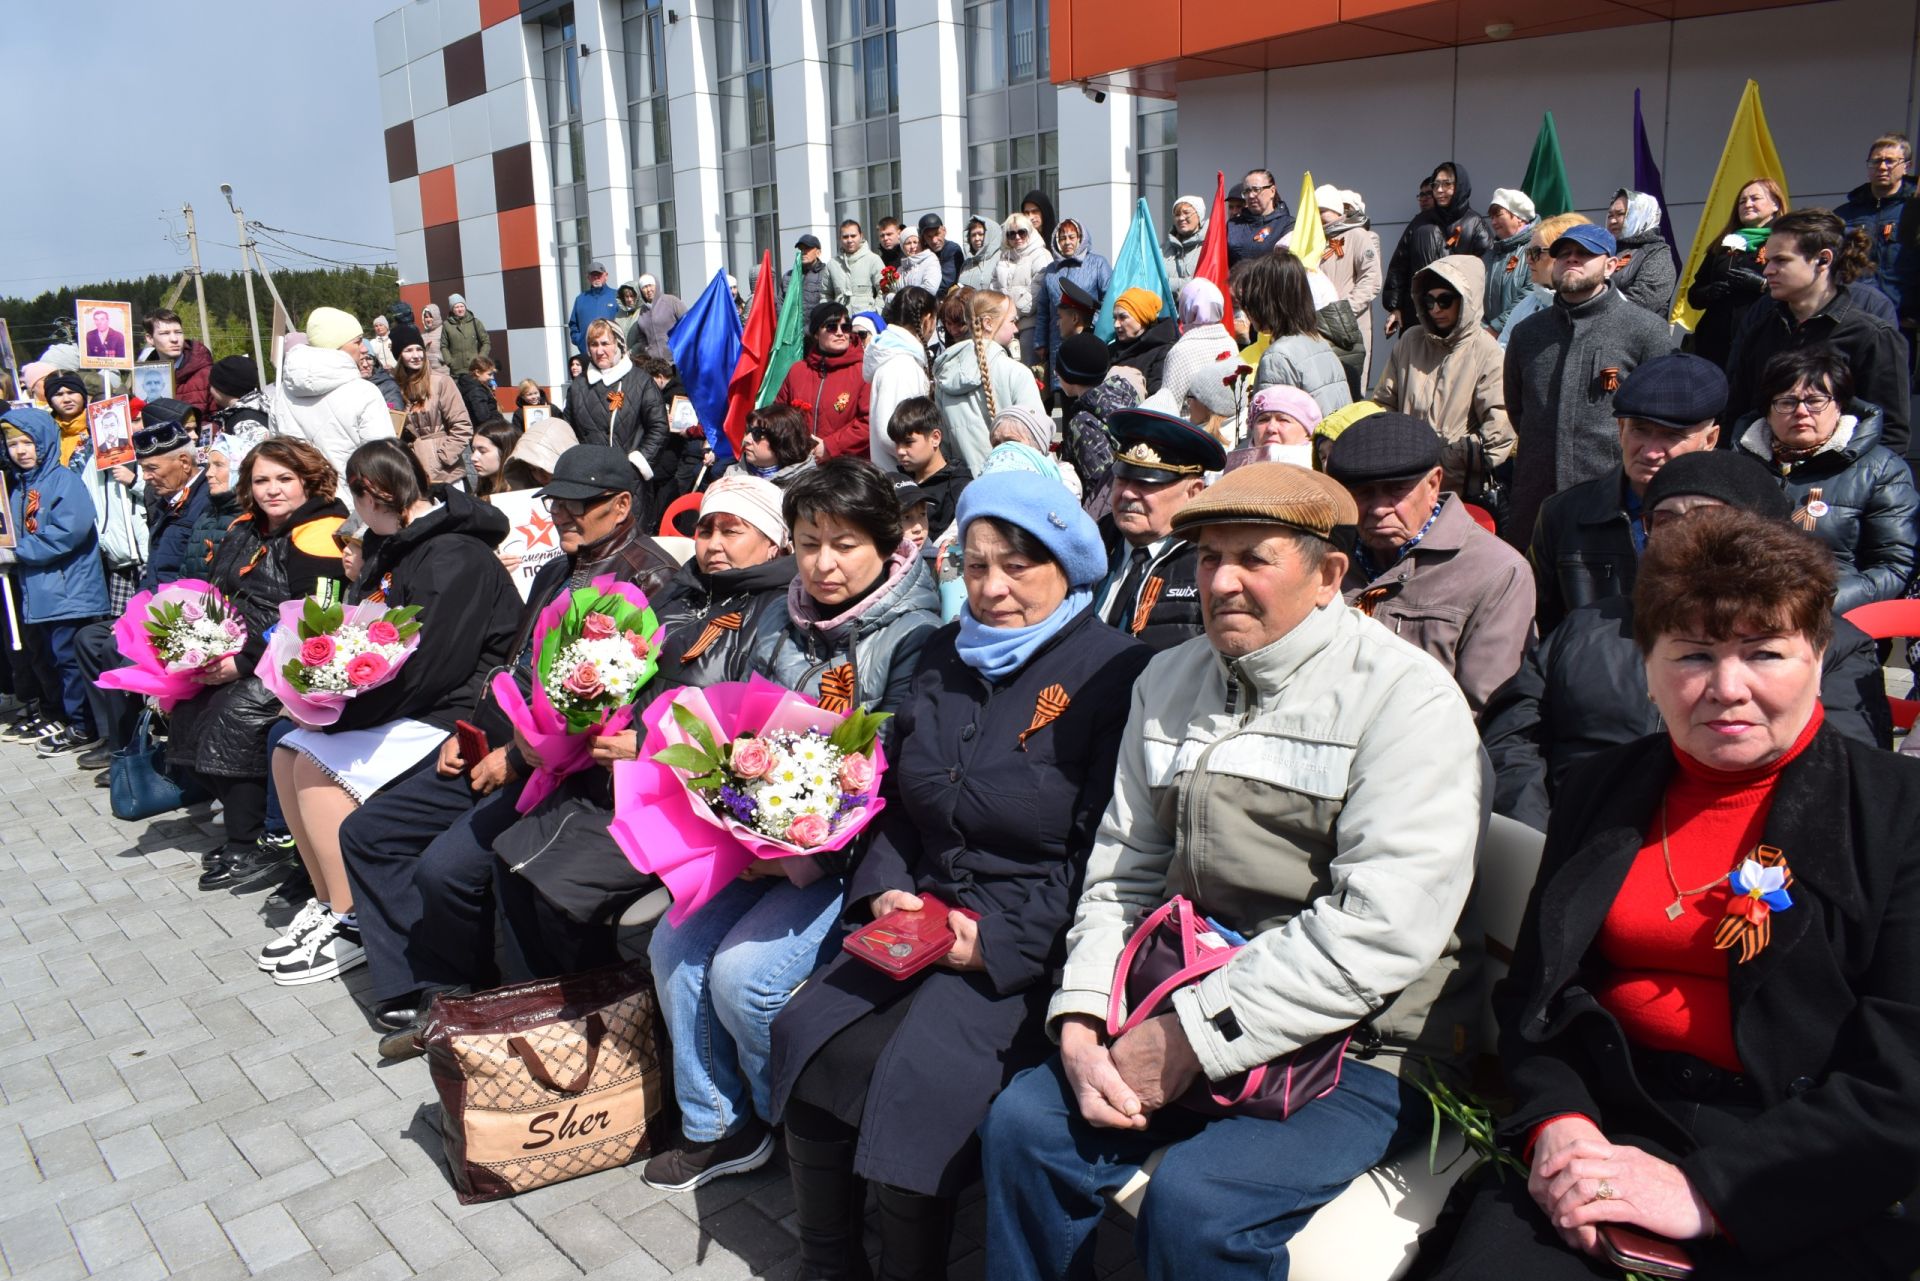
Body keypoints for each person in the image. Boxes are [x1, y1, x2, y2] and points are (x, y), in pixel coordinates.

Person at [979, 460, 1487, 1281]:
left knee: (1199, 1203)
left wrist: (1188, 1034)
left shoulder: (1408, 702)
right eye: (1210, 557)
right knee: (1025, 1128)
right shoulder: (1169, 679)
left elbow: (1377, 929)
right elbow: (1124, 867)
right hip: (1183, 991)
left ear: (1328, 576)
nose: (1221, 581)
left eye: (1254, 556)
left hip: (1366, 1039)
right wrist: (1081, 1016)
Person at [1424, 507, 1920, 1281]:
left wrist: (1707, 1192)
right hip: (1609, 1128)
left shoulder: (1898, 814)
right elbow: (1538, 996)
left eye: (1765, 652)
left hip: (1803, 1159)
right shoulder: (1600, 791)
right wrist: (1557, 1122)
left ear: (1819, 654)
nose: (1727, 687)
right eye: (1692, 655)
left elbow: (1905, 1075)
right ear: (1647, 664)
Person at [769, 468, 1149, 1275]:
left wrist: (999, 943)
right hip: (922, 909)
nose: (993, 587)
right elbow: (902, 800)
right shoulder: (944, 651)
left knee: (920, 1087)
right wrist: (884, 886)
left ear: (1069, 566)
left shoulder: (1114, 671)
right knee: (809, 1035)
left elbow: (1104, 854)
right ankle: (830, 1261)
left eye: (1018, 565)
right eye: (976, 565)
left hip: (1025, 938)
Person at [634, 460, 936, 1193]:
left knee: (747, 977)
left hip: (855, 854)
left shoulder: (916, 634)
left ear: (886, 543)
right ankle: (720, 1121)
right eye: (808, 542)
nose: (824, 564)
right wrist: (727, 800)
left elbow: (895, 772)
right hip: (764, 839)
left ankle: (799, 1120)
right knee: (673, 942)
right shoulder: (782, 614)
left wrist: (804, 841)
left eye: (844, 544)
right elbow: (735, 714)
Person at [338, 446, 677, 1055]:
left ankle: (471, 997)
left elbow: (606, 704)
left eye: (581, 504)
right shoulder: (558, 567)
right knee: (371, 830)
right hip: (503, 739)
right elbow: (512, 665)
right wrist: (467, 733)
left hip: (562, 765)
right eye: (557, 503)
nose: (564, 516)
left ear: (622, 505)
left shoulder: (647, 579)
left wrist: (516, 758)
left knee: (451, 868)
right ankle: (423, 986)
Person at [1483, 450, 1891, 833]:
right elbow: (1512, 739)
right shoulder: (1588, 626)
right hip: (1574, 835)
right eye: (1664, 520)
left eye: (1706, 517)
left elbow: (1844, 781)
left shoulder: (1830, 645)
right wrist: (1543, 835)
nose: (1681, 534)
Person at [263, 441, 519, 986]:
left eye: (359, 502)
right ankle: (331, 899)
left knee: (315, 765)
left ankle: (351, 918)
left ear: (378, 493)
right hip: (410, 699)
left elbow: (435, 666)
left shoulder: (451, 555)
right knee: (288, 749)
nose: (356, 519)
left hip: (454, 710)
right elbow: (376, 631)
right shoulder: (400, 543)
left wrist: (342, 716)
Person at [167, 438, 347, 889]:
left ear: (308, 480)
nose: (273, 490)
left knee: (236, 715)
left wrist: (244, 663)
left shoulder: (320, 532)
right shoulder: (247, 526)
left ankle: (254, 842)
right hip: (234, 649)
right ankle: (243, 828)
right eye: (261, 480)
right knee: (187, 712)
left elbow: (316, 616)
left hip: (287, 661)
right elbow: (219, 590)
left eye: (285, 479)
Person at [1326, 413, 1533, 714]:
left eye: (1397, 490)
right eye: (1363, 493)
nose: (1380, 509)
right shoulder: (1326, 557)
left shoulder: (1497, 572)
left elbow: (1487, 710)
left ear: (1434, 484)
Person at [1529, 352, 1728, 635]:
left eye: (1672, 436)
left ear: (1710, 440)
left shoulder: (1738, 518)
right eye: (1640, 431)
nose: (1650, 451)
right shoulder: (1564, 514)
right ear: (1621, 429)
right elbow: (1535, 627)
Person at [1505, 222, 1675, 549]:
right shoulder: (1527, 334)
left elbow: (1662, 416)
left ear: (1611, 265)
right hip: (1536, 501)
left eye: (1585, 254)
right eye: (1563, 254)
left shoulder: (1644, 330)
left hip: (1611, 501)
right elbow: (1518, 410)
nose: (1572, 260)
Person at [71, 416, 212, 768]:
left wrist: (147, 616)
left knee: (116, 648)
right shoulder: (164, 497)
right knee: (89, 638)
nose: (145, 477)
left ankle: (130, 752)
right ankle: (115, 736)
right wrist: (135, 611)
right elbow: (157, 564)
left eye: (152, 468)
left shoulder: (204, 500)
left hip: (187, 608)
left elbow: (192, 571)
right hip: (154, 600)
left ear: (183, 462)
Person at [1731, 345, 1917, 611]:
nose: (1801, 412)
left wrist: (1815, 606)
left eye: (1816, 401)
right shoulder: (1734, 465)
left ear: (1840, 405)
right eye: (1786, 402)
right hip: (1741, 617)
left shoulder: (1881, 469)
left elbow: (1895, 566)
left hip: (1838, 621)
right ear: (1767, 411)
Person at [1724, 208, 1911, 459]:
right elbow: (1738, 416)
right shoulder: (1760, 330)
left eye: (1781, 260)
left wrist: (1855, 488)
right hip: (1762, 482)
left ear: (1823, 259)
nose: (1767, 271)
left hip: (1840, 490)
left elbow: (1890, 433)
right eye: (1768, 261)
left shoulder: (1872, 337)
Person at [1, 406, 108, 757]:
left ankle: (85, 726)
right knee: (50, 660)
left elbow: (67, 531)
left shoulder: (63, 481)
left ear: (44, 441)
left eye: (27, 442)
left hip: (69, 590)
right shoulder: (19, 487)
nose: (20, 451)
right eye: (13, 443)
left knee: (71, 662)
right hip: (41, 591)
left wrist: (17, 552)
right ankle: (71, 719)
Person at [1369, 254, 1513, 506]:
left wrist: (1451, 460)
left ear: (1466, 300)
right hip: (1404, 483)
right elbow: (1383, 404)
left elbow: (1499, 427)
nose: (1436, 309)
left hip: (1459, 494)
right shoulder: (1410, 341)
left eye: (1445, 300)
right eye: (1429, 300)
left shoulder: (1486, 350)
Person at [1095, 408, 1222, 650]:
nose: (1128, 493)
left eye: (1146, 483)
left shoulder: (1209, 564)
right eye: (1122, 479)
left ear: (1193, 493)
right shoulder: (1092, 543)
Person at [563, 317, 673, 523]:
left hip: (630, 482)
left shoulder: (640, 381)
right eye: (594, 344)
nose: (599, 350)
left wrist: (637, 463)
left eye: (605, 343)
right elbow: (567, 430)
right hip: (589, 482)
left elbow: (658, 427)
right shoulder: (578, 386)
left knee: (631, 545)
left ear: (618, 345)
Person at [267, 307, 395, 480]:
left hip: (300, 501)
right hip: (354, 502)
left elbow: (277, 455)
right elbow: (382, 461)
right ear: (337, 345)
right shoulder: (364, 392)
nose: (364, 348)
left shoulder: (281, 393)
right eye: (357, 341)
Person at [933, 290, 1045, 473]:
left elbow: (943, 446)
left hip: (965, 488)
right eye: (1012, 321)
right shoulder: (1016, 373)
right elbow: (1037, 438)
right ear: (988, 323)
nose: (1016, 328)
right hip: (1011, 481)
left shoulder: (944, 377)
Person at [1235, 251, 1353, 420]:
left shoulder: (1278, 356)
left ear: (1266, 301)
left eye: (1250, 298)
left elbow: (1272, 431)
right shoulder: (1320, 343)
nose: (1246, 309)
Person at [1384, 161, 1492, 335]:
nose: (1440, 190)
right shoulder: (1419, 223)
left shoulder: (1475, 224)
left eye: (1447, 184)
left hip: (1459, 319)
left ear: (1460, 186)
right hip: (1418, 316)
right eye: (1436, 185)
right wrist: (1395, 307)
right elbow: (1398, 267)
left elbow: (1487, 271)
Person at [1686, 178, 1783, 369]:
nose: (1748, 204)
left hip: (1762, 341)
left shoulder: (1786, 241)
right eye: (1742, 201)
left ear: (1775, 204)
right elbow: (1694, 296)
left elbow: (1798, 289)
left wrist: (1762, 285)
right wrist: (1709, 292)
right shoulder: (1723, 243)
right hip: (1715, 346)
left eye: (1755, 198)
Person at [776, 302, 871, 461]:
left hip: (847, 468)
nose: (840, 333)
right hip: (801, 464)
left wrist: (831, 446)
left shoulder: (863, 371)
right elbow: (779, 414)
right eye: (832, 327)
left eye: (845, 327)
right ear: (816, 334)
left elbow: (868, 423)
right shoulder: (797, 371)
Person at [1055, 334, 1134, 520]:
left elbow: (1099, 485)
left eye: (1058, 370)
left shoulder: (1082, 423)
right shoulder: (1121, 395)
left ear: (1070, 375)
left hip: (1103, 518)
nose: (1055, 374)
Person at [1835, 132, 1915, 313]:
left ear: (1906, 166)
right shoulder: (1845, 214)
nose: (1882, 167)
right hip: (1856, 314)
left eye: (1890, 161)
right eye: (1876, 161)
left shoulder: (1914, 212)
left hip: (1904, 317)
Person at [389, 323, 474, 486]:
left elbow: (462, 426)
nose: (416, 355)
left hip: (447, 475)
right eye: (408, 350)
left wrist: (442, 457)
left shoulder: (441, 381)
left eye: (419, 349)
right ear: (399, 356)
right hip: (413, 475)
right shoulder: (395, 388)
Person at [1317, 187, 1384, 387]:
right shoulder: (1316, 240)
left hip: (1349, 323)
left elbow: (1371, 279)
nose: (1319, 216)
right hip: (1319, 325)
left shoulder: (1358, 236)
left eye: (1323, 210)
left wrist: (1344, 311)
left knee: (1351, 384)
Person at [867, 287, 938, 473]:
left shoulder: (902, 359)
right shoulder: (900, 365)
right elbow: (888, 433)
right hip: (900, 479)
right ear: (927, 320)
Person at [1034, 219, 1113, 384]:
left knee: (1086, 385)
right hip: (1058, 340)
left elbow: (1109, 299)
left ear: (1080, 238)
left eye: (1072, 237)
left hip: (1089, 338)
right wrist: (1040, 341)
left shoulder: (1098, 263)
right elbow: (1043, 309)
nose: (1067, 242)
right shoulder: (1051, 269)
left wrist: (1091, 325)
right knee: (1064, 388)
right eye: (1062, 238)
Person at [886, 396, 970, 534]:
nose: (900, 451)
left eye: (908, 442)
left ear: (935, 438)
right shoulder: (898, 482)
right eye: (896, 443)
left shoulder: (958, 488)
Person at [1158, 279, 1240, 414]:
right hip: (1228, 429)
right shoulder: (1230, 342)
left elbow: (1169, 407)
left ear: (1185, 307)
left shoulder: (1181, 351)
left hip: (1190, 431)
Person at [1606, 189, 1679, 318]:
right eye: (1610, 215)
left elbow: (1644, 300)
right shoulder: (1605, 250)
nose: (1612, 221)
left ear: (1641, 214)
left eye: (1620, 214)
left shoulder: (1657, 253)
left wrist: (1596, 312)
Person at [993, 212, 1054, 363]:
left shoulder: (1041, 255)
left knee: (1027, 370)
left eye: (1021, 232)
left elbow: (1037, 290)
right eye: (1011, 234)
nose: (1017, 237)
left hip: (1030, 324)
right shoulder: (1003, 258)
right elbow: (994, 288)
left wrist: (1013, 314)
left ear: (1029, 231)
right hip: (1004, 323)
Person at [1482, 187, 1538, 337]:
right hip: (1489, 337)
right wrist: (1484, 328)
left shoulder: (1536, 249)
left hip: (1522, 335)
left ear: (1519, 217)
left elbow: (1531, 292)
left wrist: (1495, 328)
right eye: (1491, 217)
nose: (1493, 222)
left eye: (1498, 215)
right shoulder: (1491, 253)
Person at [141, 308, 214, 417]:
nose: (174, 339)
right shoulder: (142, 376)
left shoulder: (207, 374)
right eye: (165, 333)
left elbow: (218, 419)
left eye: (178, 332)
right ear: (150, 338)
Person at [1108, 289, 1177, 393]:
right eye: (1115, 318)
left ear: (1142, 318)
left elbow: (1157, 395)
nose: (1116, 324)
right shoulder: (1111, 350)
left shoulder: (1164, 352)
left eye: (1123, 317)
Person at [733, 404, 818, 487]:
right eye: (748, 431)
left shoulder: (807, 487)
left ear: (782, 440)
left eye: (757, 433)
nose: (746, 440)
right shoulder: (733, 474)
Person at [1226, 167, 1295, 265]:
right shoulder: (1232, 225)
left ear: (1272, 191)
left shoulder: (1287, 225)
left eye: (1256, 189)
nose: (1250, 195)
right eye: (1247, 191)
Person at [828, 219, 886, 313]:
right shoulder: (832, 264)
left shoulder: (873, 260)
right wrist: (829, 315)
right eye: (845, 237)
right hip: (840, 323)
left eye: (853, 236)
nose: (849, 240)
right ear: (840, 239)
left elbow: (884, 290)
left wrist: (875, 313)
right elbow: (825, 295)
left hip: (866, 322)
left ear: (861, 236)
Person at [567, 261, 622, 355]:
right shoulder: (580, 299)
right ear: (588, 278)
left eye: (599, 274)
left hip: (611, 353)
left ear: (606, 275)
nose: (596, 277)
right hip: (587, 353)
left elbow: (624, 322)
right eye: (593, 275)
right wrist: (580, 341)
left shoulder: (617, 296)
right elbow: (573, 325)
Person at [208, 355, 269, 438]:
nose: (210, 389)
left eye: (211, 385)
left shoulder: (245, 423)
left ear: (221, 388)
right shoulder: (259, 408)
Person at [1163, 194, 1207, 296]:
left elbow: (1205, 282)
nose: (1181, 218)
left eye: (1186, 213)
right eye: (1177, 214)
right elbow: (1154, 280)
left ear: (1199, 215)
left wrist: (1167, 283)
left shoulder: (1209, 247)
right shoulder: (1163, 250)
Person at [629, 286, 687, 362]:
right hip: (655, 362)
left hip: (676, 359)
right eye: (644, 287)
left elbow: (687, 324)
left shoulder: (672, 301)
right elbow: (641, 335)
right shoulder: (642, 310)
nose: (649, 290)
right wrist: (647, 349)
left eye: (650, 285)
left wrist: (679, 347)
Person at [470, 420, 521, 498]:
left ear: (505, 452)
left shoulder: (520, 496)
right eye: (473, 450)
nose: (473, 457)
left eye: (482, 451)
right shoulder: (482, 491)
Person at [440, 294, 491, 373]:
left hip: (474, 369)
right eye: (456, 307)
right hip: (456, 371)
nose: (460, 309)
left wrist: (480, 358)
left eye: (462, 306)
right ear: (452, 309)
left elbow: (486, 342)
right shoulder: (447, 325)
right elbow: (443, 346)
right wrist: (450, 361)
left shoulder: (475, 322)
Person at [956, 213, 1004, 292]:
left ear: (990, 235)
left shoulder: (1001, 258)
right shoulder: (967, 262)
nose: (977, 238)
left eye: (981, 234)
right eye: (973, 235)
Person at [453, 356, 501, 433]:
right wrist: (498, 420)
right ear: (477, 372)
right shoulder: (476, 390)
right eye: (489, 374)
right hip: (484, 431)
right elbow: (483, 417)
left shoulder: (472, 386)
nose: (492, 377)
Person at [920, 214, 965, 295]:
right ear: (923, 238)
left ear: (944, 231)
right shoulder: (922, 251)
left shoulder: (952, 249)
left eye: (937, 234)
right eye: (929, 237)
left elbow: (945, 282)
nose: (934, 240)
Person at [786, 234, 830, 316]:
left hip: (816, 326)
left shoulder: (827, 274)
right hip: (793, 328)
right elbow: (780, 304)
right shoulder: (788, 276)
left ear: (818, 253)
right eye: (801, 249)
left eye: (807, 248)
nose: (803, 252)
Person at [897, 229, 942, 296]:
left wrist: (902, 298)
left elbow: (930, 289)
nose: (912, 246)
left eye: (915, 242)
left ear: (921, 244)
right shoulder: (900, 269)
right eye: (908, 243)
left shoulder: (930, 261)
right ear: (902, 247)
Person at [418, 303, 447, 370]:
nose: (428, 319)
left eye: (431, 316)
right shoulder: (422, 334)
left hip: (442, 370)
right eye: (426, 317)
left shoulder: (444, 330)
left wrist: (442, 359)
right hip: (427, 371)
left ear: (436, 316)